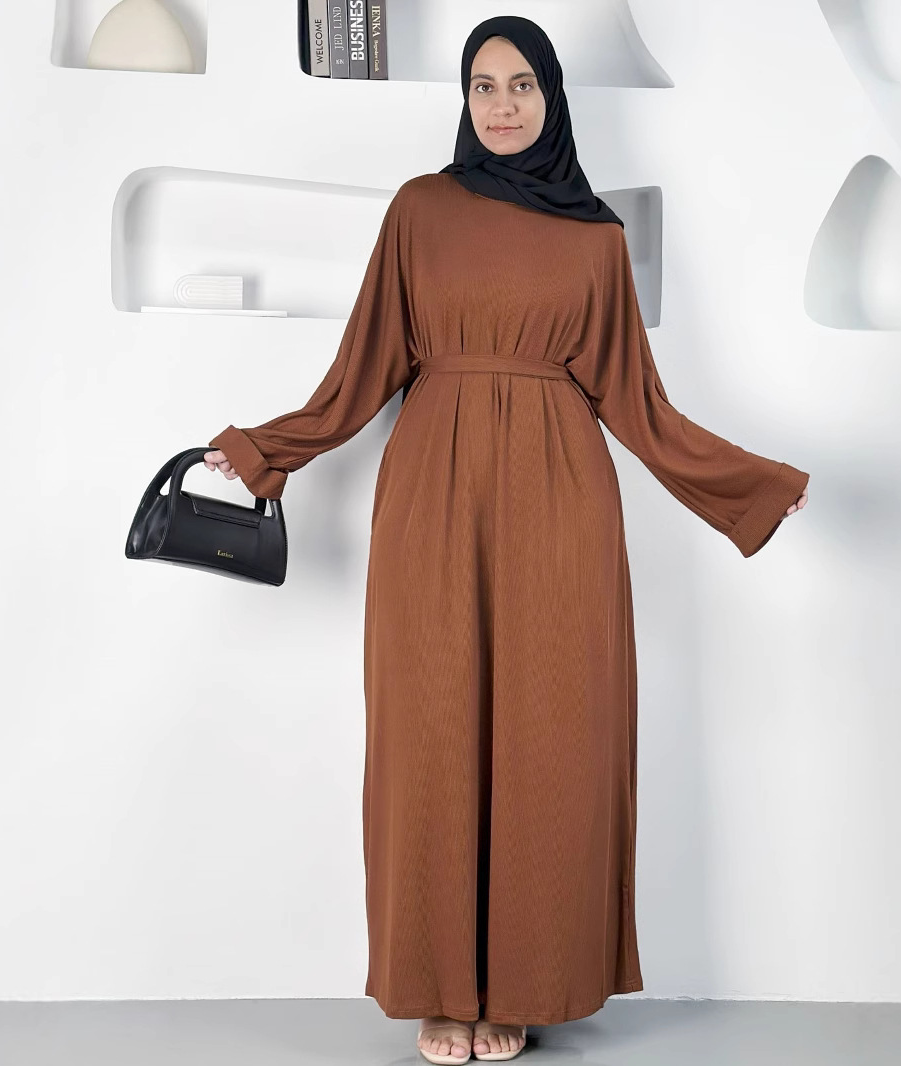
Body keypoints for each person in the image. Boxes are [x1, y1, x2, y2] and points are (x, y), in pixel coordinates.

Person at [204, 15, 809, 1065]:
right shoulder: (420, 210)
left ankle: (518, 988)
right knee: (430, 731)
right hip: (433, 498)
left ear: (552, 97)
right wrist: (267, 448)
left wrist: (749, 489)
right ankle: (442, 987)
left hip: (559, 501)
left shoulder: (595, 239)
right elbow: (363, 367)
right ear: (464, 99)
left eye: (521, 84)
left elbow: (638, 404)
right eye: (482, 85)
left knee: (549, 735)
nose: (500, 104)